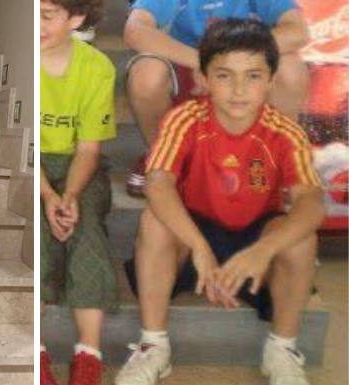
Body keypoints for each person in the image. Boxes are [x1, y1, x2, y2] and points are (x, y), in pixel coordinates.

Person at [116, 19, 324, 385]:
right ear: (204, 79)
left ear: (272, 81)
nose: (239, 89)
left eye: (253, 76)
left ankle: (282, 348)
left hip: (256, 235)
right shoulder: (186, 119)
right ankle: (153, 346)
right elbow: (158, 182)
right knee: (154, 220)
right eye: (225, 75)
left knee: (300, 236)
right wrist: (198, 246)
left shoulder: (286, 132)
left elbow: (311, 202)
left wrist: (264, 250)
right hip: (194, 231)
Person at [123, 0, 310, 196]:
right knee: (146, 73)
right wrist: (201, 62)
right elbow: (135, 30)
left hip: (243, 65)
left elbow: (297, 31)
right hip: (189, 67)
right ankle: (162, 159)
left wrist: (226, 59)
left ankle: (274, 157)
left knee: (291, 68)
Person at [39, 0, 117, 384]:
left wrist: (67, 196)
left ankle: (89, 352)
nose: (34, 24)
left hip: (78, 167)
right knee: (37, 233)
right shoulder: (22, 62)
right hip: (30, 164)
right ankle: (32, 350)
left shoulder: (97, 68)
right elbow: (22, 146)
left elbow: (89, 149)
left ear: (76, 18)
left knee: (85, 227)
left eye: (46, 15)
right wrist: (48, 197)